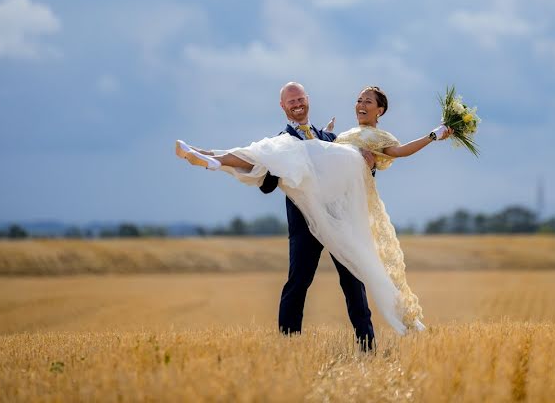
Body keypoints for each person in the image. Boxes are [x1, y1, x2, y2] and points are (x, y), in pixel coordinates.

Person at [176, 84, 451, 335]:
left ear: (307, 102)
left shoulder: (331, 138)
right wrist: (282, 166)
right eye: (290, 101)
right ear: (283, 107)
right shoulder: (279, 143)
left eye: (300, 99)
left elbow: (353, 169)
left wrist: (367, 163)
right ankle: (289, 340)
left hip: (338, 219)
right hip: (304, 224)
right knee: (298, 282)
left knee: (353, 283)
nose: (296, 104)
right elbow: (268, 185)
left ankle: (367, 344)